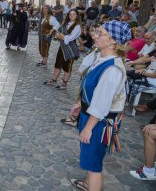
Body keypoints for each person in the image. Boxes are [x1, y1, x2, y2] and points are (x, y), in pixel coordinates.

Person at [70, 21, 129, 190]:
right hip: (91, 116)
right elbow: (93, 89)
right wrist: (81, 105)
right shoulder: (101, 57)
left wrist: (88, 128)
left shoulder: (112, 69)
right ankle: (88, 183)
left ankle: (92, 185)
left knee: (94, 164)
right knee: (91, 158)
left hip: (98, 123)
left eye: (101, 33)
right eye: (97, 31)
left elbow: (101, 104)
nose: (95, 36)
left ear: (113, 41)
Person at [43, 10, 81, 89]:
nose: (72, 16)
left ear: (77, 15)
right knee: (58, 64)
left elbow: (71, 38)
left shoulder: (77, 26)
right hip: (62, 47)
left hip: (70, 48)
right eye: (70, 14)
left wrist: (61, 36)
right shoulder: (65, 23)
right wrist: (57, 34)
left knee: (67, 66)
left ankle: (64, 84)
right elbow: (58, 33)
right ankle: (53, 80)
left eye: (74, 14)